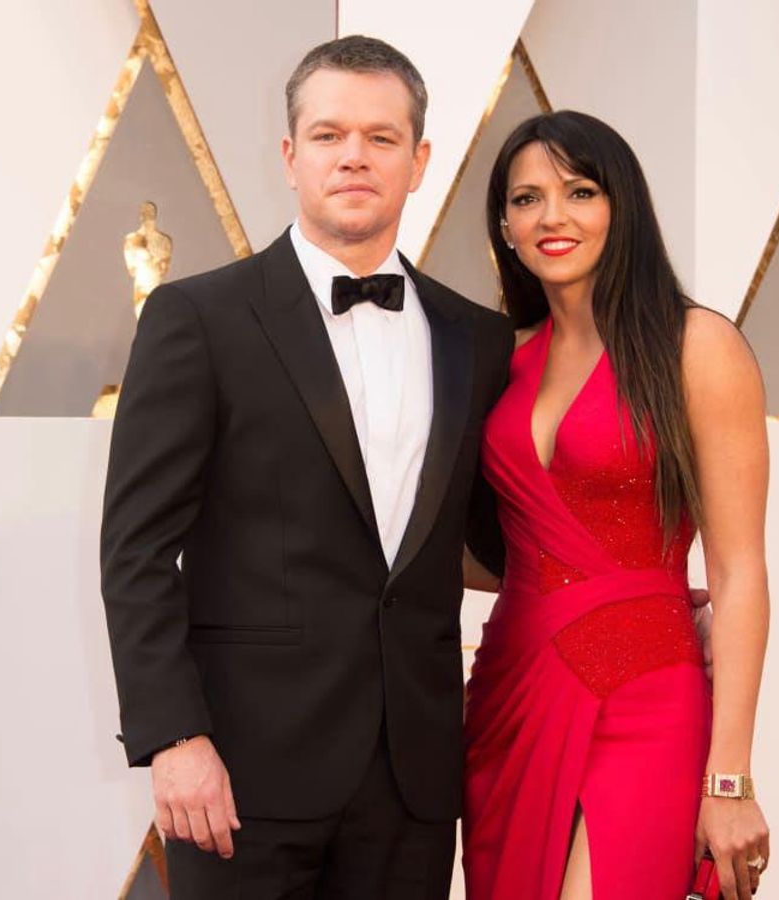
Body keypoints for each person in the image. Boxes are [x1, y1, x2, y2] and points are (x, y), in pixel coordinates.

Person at [100, 36, 513, 897]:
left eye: (380, 137)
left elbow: (494, 537)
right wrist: (174, 739)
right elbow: (136, 551)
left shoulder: (476, 336)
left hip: (415, 779)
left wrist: (643, 588)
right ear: (291, 158)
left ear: (419, 159)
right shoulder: (198, 318)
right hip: (240, 775)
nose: (353, 156)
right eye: (328, 135)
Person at [461, 110, 770, 900]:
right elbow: (503, 549)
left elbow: (738, 572)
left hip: (645, 699)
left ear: (620, 205)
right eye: (526, 199)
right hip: (510, 695)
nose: (552, 216)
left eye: (579, 191)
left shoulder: (697, 345)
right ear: (504, 223)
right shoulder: (504, 357)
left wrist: (728, 778)